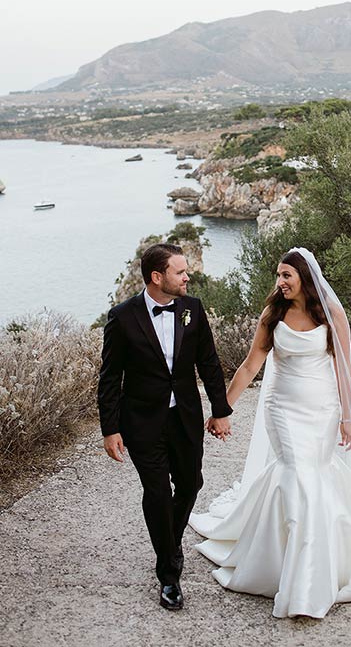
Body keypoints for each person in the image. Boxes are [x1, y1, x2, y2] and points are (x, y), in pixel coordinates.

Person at [191, 248, 351, 619]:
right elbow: (250, 365)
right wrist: (222, 408)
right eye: (278, 275)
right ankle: (299, 575)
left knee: (313, 475)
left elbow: (343, 371)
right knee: (298, 474)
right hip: (282, 411)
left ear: (305, 277)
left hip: (322, 411)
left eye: (287, 275)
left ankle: (308, 563)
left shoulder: (331, 314)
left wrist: (347, 418)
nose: (280, 282)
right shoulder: (273, 314)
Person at [97, 243, 232, 612]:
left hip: (184, 416)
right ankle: (169, 574)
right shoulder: (123, 317)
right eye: (180, 271)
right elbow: (110, 378)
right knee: (156, 492)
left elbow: (208, 362)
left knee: (191, 482)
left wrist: (220, 410)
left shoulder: (193, 309)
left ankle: (168, 543)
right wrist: (110, 429)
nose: (188, 276)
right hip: (141, 421)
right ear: (157, 277)